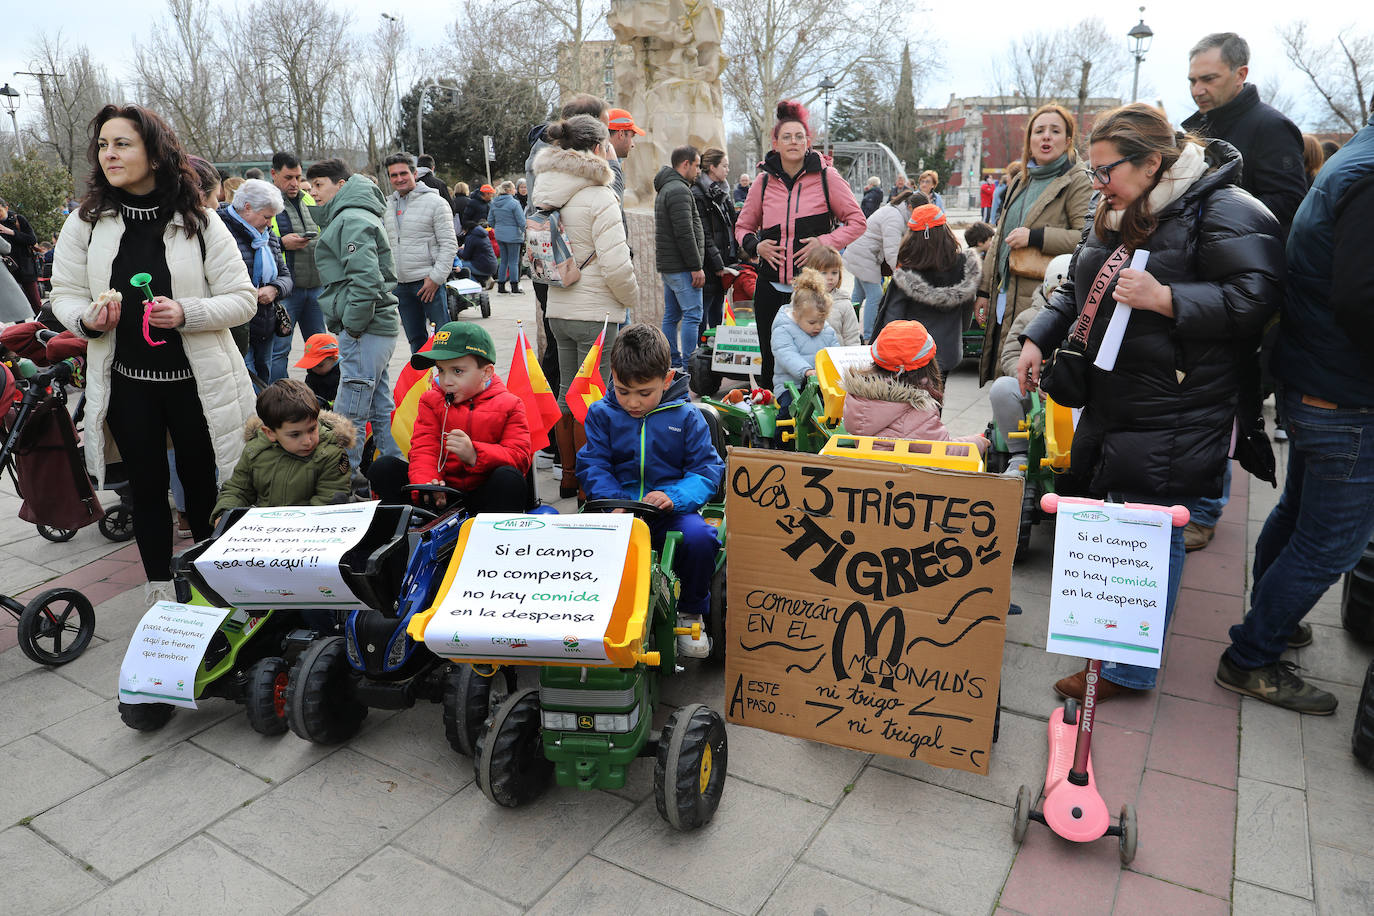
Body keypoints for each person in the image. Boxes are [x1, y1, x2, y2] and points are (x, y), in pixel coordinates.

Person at [1015, 103, 1284, 702]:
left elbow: (1256, 299)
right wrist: (1038, 336)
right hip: (1119, 396)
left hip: (1177, 402)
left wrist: (1167, 298)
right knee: (1124, 519)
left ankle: (1128, 669)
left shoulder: (1225, 210)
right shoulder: (1117, 208)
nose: (1098, 181)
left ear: (1154, 163)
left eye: (1106, 169)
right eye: (1095, 167)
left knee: (1151, 529)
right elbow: (1081, 285)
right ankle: (1116, 647)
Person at [50, 103, 256, 603]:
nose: (110, 154)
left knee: (204, 483)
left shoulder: (201, 221)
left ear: (156, 154)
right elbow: (64, 294)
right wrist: (86, 319)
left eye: (123, 144)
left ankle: (210, 583)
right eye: (103, 145)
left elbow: (243, 299)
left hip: (197, 382)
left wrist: (188, 312)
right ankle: (159, 585)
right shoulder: (86, 222)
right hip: (126, 382)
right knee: (145, 487)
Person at [1214, 113, 1374, 715]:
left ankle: (1269, 618)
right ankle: (1252, 655)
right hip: (1346, 392)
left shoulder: (1353, 159)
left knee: (1301, 518)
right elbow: (1363, 298)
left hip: (1320, 378)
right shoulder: (1369, 173)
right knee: (1330, 544)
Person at [1181, 32, 1307, 551]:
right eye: (1192, 79)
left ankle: (1205, 510)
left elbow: (1288, 212)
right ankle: (1187, 497)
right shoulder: (1191, 130)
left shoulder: (1273, 129)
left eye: (1208, 78)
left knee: (1225, 401)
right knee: (1190, 396)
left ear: (1241, 74)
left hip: (1238, 290)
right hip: (1192, 283)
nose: (1197, 89)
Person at [576, 324, 724, 657]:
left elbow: (706, 470)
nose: (633, 402)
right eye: (623, 390)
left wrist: (675, 496)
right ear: (612, 375)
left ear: (667, 378)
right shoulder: (601, 414)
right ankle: (587, 611)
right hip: (615, 510)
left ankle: (690, 612)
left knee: (700, 539)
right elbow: (593, 464)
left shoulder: (687, 418)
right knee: (575, 541)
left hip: (669, 513)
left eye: (645, 393)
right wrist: (614, 502)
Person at [531, 113, 638, 499]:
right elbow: (616, 263)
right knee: (596, 396)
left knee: (565, 393)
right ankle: (594, 481)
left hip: (558, 306)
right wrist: (631, 297)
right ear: (598, 148)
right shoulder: (599, 195)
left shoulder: (545, 192)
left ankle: (569, 474)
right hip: (597, 311)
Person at [735, 100, 866, 388]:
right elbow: (743, 226)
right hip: (769, 288)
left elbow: (857, 221)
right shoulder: (763, 182)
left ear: (808, 142)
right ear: (775, 143)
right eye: (786, 137)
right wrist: (757, 246)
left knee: (814, 365)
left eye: (799, 137)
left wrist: (824, 242)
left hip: (813, 291)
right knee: (771, 363)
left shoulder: (826, 177)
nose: (793, 142)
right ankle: (774, 428)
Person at [974, 106, 1093, 385]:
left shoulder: (1076, 181)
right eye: (1039, 131)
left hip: (1043, 301)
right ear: (1029, 140)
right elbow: (999, 239)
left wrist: (1036, 236)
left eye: (1055, 131)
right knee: (1004, 380)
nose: (1046, 137)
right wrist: (983, 290)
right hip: (1006, 297)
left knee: (1027, 384)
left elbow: (1086, 237)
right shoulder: (1021, 180)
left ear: (1067, 139)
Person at [304, 157, 402, 475]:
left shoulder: (351, 219)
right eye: (311, 185)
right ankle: (394, 468)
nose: (313, 192)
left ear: (341, 185)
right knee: (378, 402)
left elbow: (366, 278)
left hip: (367, 327)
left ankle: (346, 479)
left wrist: (354, 325)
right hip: (374, 326)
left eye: (319, 185)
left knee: (351, 410)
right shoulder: (350, 216)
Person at [366, 322, 532, 510]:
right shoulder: (431, 400)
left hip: (485, 495)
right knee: (384, 468)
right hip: (443, 492)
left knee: (509, 478)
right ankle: (395, 532)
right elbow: (424, 448)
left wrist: (474, 454)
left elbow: (520, 458)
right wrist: (429, 484)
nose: (447, 381)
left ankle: (497, 534)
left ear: (486, 373)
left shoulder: (510, 404)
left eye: (457, 371)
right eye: (441, 370)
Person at [212, 378, 355, 521]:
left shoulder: (330, 452)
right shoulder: (256, 450)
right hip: (267, 530)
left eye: (312, 429)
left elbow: (329, 500)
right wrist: (225, 514)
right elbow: (238, 489)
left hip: (312, 531)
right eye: (295, 434)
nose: (307, 441)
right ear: (270, 433)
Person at [844, 320, 987, 453]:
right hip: (905, 478)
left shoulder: (857, 398)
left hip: (874, 474)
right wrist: (978, 442)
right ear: (927, 367)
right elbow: (945, 452)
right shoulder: (916, 411)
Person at [873, 204, 981, 377]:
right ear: (946, 232)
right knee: (937, 396)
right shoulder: (963, 266)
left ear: (913, 237)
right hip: (948, 350)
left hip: (912, 354)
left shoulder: (907, 273)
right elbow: (966, 315)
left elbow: (892, 318)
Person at [382, 152, 459, 354]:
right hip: (401, 287)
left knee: (444, 342)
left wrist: (436, 278)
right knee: (416, 343)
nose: (399, 179)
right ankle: (421, 384)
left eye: (403, 173)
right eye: (394, 175)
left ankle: (448, 384)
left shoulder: (436, 202)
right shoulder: (387, 206)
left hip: (428, 283)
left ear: (414, 173)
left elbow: (449, 244)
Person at [218, 178, 293, 379]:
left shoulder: (267, 234)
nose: (270, 223)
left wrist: (275, 289)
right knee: (248, 382)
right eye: (267, 217)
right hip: (238, 327)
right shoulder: (220, 230)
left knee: (263, 379)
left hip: (265, 325)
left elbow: (286, 276)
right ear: (248, 207)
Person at [268, 151, 326, 383]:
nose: (294, 183)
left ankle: (322, 396)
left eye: (298, 177)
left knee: (321, 349)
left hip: (315, 288)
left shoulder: (309, 198)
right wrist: (282, 243)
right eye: (288, 177)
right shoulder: (267, 202)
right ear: (273, 174)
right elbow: (254, 244)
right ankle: (279, 401)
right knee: (279, 350)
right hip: (285, 292)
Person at [842, 190, 921, 342]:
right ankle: (869, 336)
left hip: (860, 253)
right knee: (875, 295)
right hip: (865, 257)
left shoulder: (895, 211)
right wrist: (899, 275)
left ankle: (849, 330)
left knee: (858, 295)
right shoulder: (895, 218)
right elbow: (892, 252)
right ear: (910, 207)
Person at [655, 145, 706, 371]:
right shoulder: (679, 190)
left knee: (672, 316)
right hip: (683, 267)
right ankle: (687, 367)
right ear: (685, 164)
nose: (699, 171)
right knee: (693, 314)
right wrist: (696, 266)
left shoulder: (669, 187)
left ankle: (672, 364)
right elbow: (685, 233)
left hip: (671, 266)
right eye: (696, 166)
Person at [771, 268, 839, 399]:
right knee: (790, 408)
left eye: (822, 321)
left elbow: (834, 353)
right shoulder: (783, 329)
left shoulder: (827, 331)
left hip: (821, 384)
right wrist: (806, 371)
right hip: (791, 386)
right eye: (812, 322)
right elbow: (787, 354)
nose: (818, 327)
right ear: (796, 316)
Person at [692, 147, 737, 343]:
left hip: (723, 262)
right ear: (712, 167)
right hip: (709, 264)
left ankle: (717, 351)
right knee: (704, 310)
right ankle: (701, 353)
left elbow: (730, 226)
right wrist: (718, 264)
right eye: (724, 166)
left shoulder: (723, 191)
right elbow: (704, 233)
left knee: (718, 310)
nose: (727, 169)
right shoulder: (699, 193)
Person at [803, 245, 861, 346]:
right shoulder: (802, 299)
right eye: (824, 273)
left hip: (835, 358)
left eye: (834, 273)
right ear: (811, 273)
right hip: (808, 359)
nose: (830, 278)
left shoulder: (844, 303)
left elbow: (852, 337)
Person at [0, 197, 41, 313]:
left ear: (6, 208)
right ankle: (21, 329)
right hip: (9, 269)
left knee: (35, 302)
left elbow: (32, 239)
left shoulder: (19, 220)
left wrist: (11, 232)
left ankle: (40, 326)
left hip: (26, 267)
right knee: (16, 306)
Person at [489, 180, 526, 294]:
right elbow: (521, 221)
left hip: (500, 234)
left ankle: (501, 286)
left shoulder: (494, 203)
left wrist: (499, 228)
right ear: (509, 190)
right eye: (514, 188)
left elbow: (490, 220)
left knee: (504, 260)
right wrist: (526, 233)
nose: (515, 190)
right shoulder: (514, 203)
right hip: (514, 235)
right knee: (513, 261)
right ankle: (514, 286)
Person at [296, 332, 340, 404]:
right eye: (311, 365)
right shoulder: (312, 374)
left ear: (334, 358)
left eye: (319, 365)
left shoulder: (340, 376)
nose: (314, 369)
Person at [457, 221, 498, 288]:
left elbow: (465, 256)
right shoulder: (484, 235)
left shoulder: (471, 237)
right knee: (475, 264)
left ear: (466, 229)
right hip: (492, 265)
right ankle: (487, 279)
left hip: (483, 266)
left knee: (461, 265)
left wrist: (459, 250)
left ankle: (474, 285)